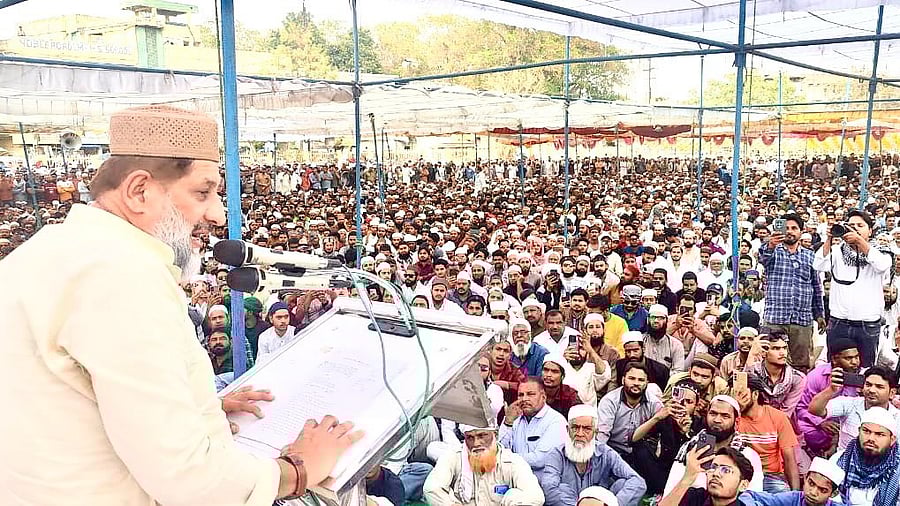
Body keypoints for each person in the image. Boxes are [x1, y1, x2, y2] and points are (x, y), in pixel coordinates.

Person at [0, 105, 360, 504]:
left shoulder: (43, 251)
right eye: (202, 192)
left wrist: (199, 406)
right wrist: (299, 469)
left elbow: (70, 403)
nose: (218, 214)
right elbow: (188, 479)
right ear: (139, 191)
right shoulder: (120, 275)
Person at [813, 209, 893, 366]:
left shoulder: (881, 253)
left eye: (859, 225)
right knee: (834, 367)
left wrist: (859, 241)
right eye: (850, 225)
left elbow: (882, 265)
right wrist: (829, 238)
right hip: (839, 322)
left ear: (870, 230)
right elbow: (818, 264)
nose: (854, 228)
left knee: (865, 366)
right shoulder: (837, 252)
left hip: (867, 324)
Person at [757, 213, 826, 372]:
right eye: (786, 227)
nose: (790, 231)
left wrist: (820, 314)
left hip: (801, 320)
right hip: (775, 318)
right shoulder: (773, 251)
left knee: (800, 365)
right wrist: (771, 244)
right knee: (769, 362)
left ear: (801, 232)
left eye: (794, 228)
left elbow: (816, 286)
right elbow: (763, 258)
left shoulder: (810, 255)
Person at [542, 404, 647, 506]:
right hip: (570, 503)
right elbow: (549, 488)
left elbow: (637, 481)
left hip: (600, 504)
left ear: (595, 432)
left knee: (623, 484)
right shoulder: (556, 454)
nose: (580, 434)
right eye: (575, 427)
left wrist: (613, 504)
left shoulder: (605, 452)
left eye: (587, 429)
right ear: (567, 430)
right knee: (562, 489)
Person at [664, 395, 764, 496]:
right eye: (713, 414)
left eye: (725, 416)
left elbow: (753, 496)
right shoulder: (690, 449)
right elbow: (670, 489)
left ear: (736, 422)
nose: (717, 420)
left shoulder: (747, 455)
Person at [423, 424, 544, 506]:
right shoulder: (454, 457)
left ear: (494, 435)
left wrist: (511, 499)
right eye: (470, 438)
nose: (476, 443)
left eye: (482, 436)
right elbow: (431, 488)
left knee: (516, 494)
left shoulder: (513, 461)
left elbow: (536, 497)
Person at [630, 379, 704, 494]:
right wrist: (657, 417)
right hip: (662, 470)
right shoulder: (665, 418)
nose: (682, 405)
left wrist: (687, 433)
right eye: (679, 400)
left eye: (688, 402)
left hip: (685, 474)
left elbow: (699, 457)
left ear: (696, 405)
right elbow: (634, 439)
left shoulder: (700, 424)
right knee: (640, 449)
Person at [807, 365, 900, 452]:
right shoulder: (849, 404)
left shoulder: (897, 418)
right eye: (868, 385)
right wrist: (831, 389)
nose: (871, 390)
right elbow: (814, 410)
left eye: (879, 387)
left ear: (892, 392)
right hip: (843, 465)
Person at [734, 374, 801, 492]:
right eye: (734, 393)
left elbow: (789, 459)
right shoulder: (731, 417)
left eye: (742, 393)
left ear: (755, 394)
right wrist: (735, 410)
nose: (737, 398)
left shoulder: (778, 417)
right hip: (739, 473)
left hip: (770, 476)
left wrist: (794, 495)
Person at [796, 338, 861, 457]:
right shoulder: (816, 376)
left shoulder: (863, 377)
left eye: (856, 357)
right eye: (848, 358)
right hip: (824, 428)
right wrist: (821, 422)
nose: (855, 362)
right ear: (835, 359)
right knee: (800, 428)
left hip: (851, 428)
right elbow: (801, 408)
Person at [500, 377, 569, 480]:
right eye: (521, 395)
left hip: (545, 486)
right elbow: (500, 448)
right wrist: (508, 423)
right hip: (515, 482)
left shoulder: (556, 421)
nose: (524, 399)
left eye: (530, 394)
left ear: (543, 397)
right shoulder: (515, 419)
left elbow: (540, 459)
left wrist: (505, 459)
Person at [830, 406, 900, 506]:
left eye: (879, 434)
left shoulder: (897, 470)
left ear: (892, 439)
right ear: (859, 431)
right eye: (866, 431)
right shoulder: (839, 459)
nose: (871, 438)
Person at [596, 362, 664, 461]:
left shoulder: (654, 403)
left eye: (641, 380)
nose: (636, 383)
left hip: (641, 453)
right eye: (631, 378)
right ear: (623, 380)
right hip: (613, 452)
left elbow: (663, 430)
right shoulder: (610, 401)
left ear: (646, 383)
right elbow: (602, 435)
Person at [659, 446, 755, 506]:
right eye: (713, 467)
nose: (716, 474)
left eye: (726, 470)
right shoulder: (695, 497)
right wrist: (687, 479)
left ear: (743, 485)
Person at [740, 457, 845, 506]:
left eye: (822, 490)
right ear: (805, 479)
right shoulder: (793, 499)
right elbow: (748, 495)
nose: (813, 492)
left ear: (833, 494)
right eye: (811, 483)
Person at [746, 332, 806, 414]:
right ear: (763, 352)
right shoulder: (753, 370)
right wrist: (751, 355)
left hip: (782, 422)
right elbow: (742, 394)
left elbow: (786, 412)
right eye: (776, 348)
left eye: (784, 348)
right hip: (753, 418)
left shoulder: (797, 378)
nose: (783, 353)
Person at [643, 304, 686, 372]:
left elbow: (678, 372)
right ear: (648, 320)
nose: (656, 321)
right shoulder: (641, 342)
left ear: (666, 320)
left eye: (661, 318)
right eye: (653, 317)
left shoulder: (676, 345)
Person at [488, 339, 527, 404]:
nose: (501, 354)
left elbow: (525, 386)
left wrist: (508, 385)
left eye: (506, 351)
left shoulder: (514, 370)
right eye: (498, 349)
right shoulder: (483, 365)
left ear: (509, 356)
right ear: (490, 351)